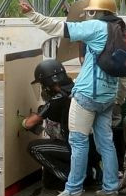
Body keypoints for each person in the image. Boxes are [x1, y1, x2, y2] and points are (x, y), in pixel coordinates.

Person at [19, 0, 122, 196]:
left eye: (91, 11)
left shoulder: (95, 27)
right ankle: (110, 188)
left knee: (78, 142)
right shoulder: (121, 30)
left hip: (87, 93)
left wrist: (32, 14)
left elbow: (59, 28)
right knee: (106, 143)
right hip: (108, 94)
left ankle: (73, 190)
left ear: (96, 12)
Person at [21, 59, 101, 189]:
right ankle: (86, 172)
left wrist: (24, 121)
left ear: (48, 82)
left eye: (42, 83)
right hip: (93, 146)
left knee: (34, 148)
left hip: (78, 147)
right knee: (49, 182)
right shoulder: (76, 87)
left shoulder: (59, 98)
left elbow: (29, 124)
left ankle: (76, 180)